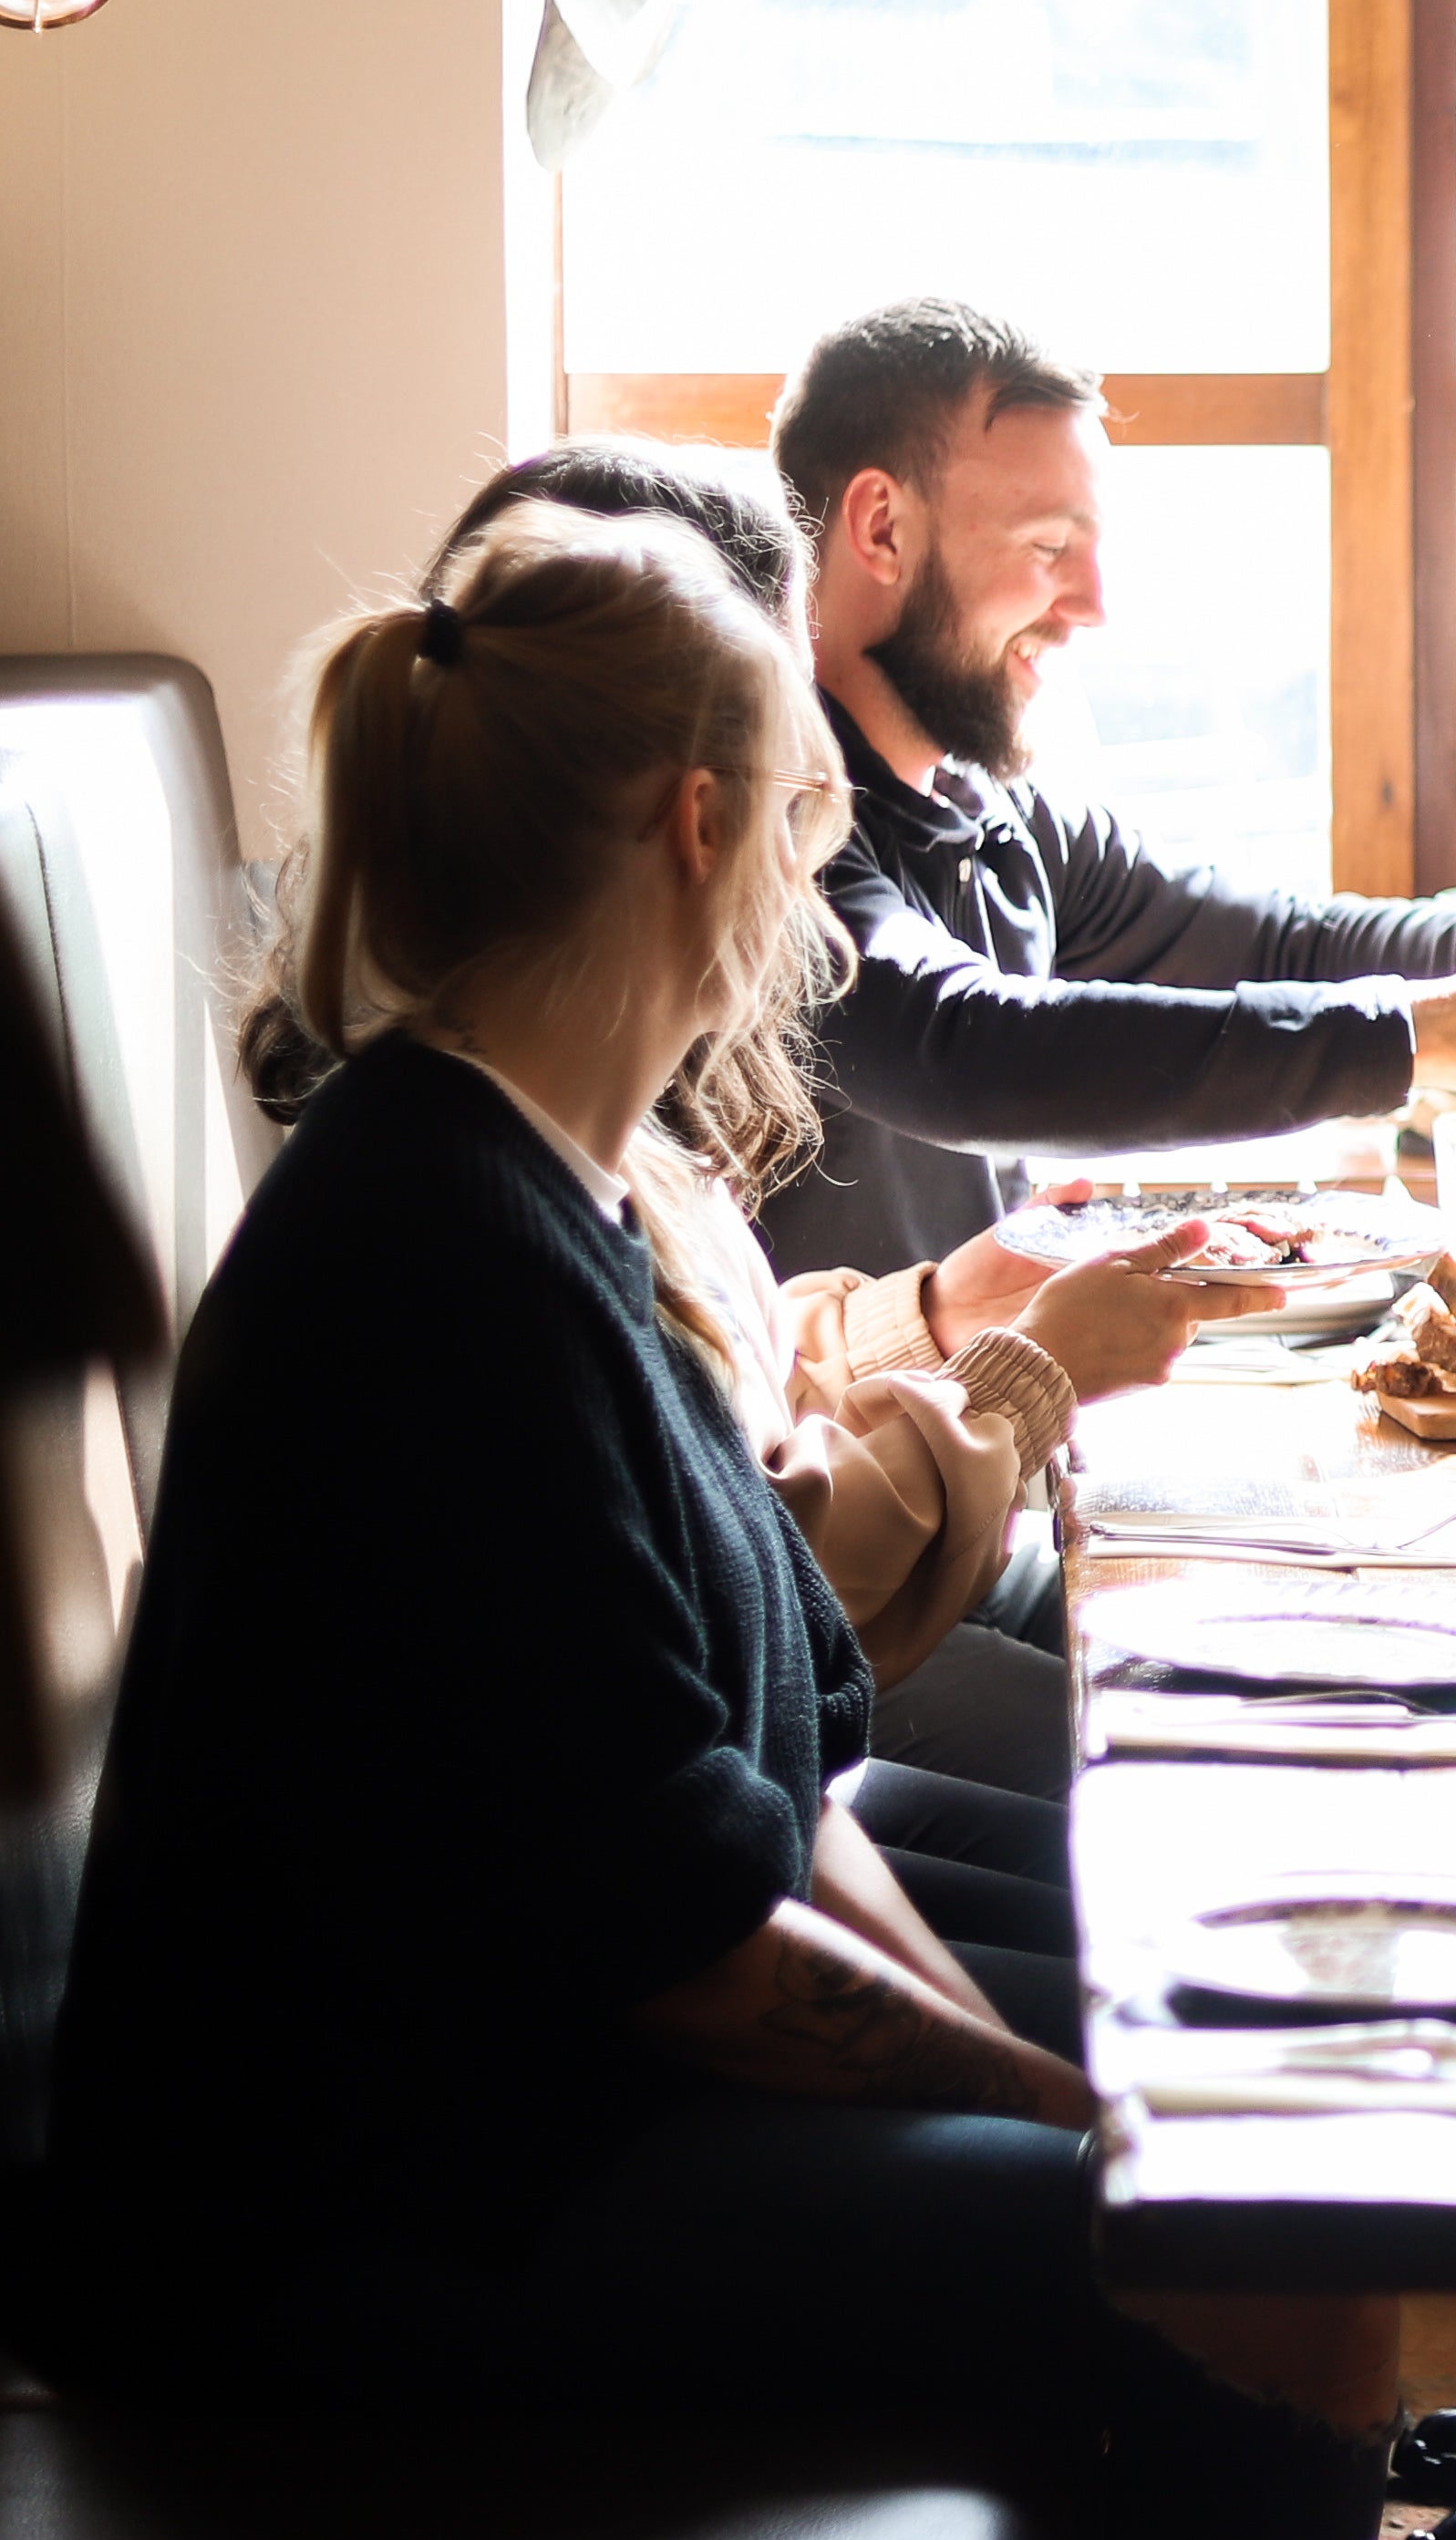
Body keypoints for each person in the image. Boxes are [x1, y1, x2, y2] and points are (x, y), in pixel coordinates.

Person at [39, 509, 1388, 2540]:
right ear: (693, 827)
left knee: (1271, 2132)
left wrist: (1065, 2098)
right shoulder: (424, 1253)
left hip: (552, 2076)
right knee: (1271, 2266)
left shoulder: (564, 1175)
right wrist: (1076, 2138)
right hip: (378, 2211)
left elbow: (778, 1770)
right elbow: (680, 1932)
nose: (804, 874)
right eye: (792, 814)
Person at [236, 437, 1233, 1812]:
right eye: (795, 779)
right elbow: (761, 1589)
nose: (817, 885)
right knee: (1167, 1773)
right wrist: (1018, 1378)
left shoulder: (568, 1121)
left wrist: (940, 1312)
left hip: (777, 1721)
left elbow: (719, 1430)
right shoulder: (466, 1218)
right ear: (686, 812)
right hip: (732, 1788)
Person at [761, 298, 1456, 1278]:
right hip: (817, 1430)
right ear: (880, 527)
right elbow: (962, 1045)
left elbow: (1272, 942)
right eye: (1048, 548)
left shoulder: (994, 813)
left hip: (974, 1419)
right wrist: (1418, 1037)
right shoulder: (766, 809)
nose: (1095, 606)